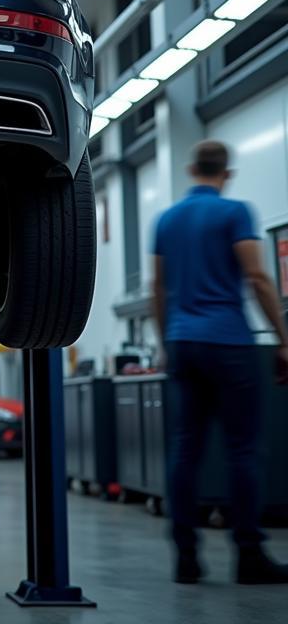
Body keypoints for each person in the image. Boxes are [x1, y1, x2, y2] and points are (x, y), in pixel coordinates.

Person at [151, 139, 288, 584]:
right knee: (243, 451)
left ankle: (185, 558)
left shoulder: (167, 220)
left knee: (185, 450)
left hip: (183, 342)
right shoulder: (235, 213)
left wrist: (166, 340)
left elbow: (158, 288)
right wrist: (284, 339)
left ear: (192, 169)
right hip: (229, 342)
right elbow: (257, 277)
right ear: (226, 174)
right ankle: (249, 556)